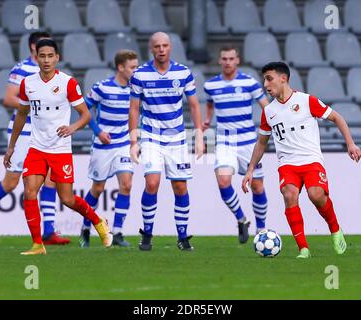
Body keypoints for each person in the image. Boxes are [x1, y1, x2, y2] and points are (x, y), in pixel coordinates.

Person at [242, 62, 361, 258]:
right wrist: (250, 170)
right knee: (290, 196)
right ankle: (303, 248)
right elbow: (262, 143)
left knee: (316, 195)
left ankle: (335, 229)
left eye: (269, 79)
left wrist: (351, 144)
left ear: (284, 78)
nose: (265, 84)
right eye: (264, 79)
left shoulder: (307, 101)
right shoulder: (269, 112)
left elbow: (337, 118)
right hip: (287, 164)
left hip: (311, 160)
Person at [3, 38, 112, 255]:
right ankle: (37, 244)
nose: (46, 60)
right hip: (36, 147)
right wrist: (12, 146)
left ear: (57, 58)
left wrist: (73, 128)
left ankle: (98, 221)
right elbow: (22, 115)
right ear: (37, 57)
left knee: (67, 199)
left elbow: (86, 114)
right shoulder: (28, 83)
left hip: (60, 149)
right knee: (30, 191)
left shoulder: (67, 83)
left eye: (50, 56)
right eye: (42, 56)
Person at [0, 32, 70, 246]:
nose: (46, 54)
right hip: (24, 132)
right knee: (11, 182)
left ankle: (48, 230)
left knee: (50, 177)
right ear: (33, 47)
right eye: (42, 48)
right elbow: (8, 98)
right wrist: (36, 105)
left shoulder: (55, 74)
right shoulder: (21, 69)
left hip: (45, 132)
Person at [129, 32, 204, 251]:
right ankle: (147, 233)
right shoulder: (140, 75)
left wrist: (199, 135)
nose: (161, 49)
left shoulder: (183, 72)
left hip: (177, 138)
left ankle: (182, 237)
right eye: (157, 46)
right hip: (151, 135)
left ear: (170, 47)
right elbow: (133, 108)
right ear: (151, 49)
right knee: (152, 182)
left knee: (180, 186)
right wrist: (134, 140)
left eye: (165, 45)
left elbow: (193, 105)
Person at [203, 45, 269, 243]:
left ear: (237, 60)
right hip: (224, 141)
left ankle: (261, 229)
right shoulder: (211, 85)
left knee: (257, 186)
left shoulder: (250, 83)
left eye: (231, 58)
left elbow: (266, 107)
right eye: (224, 59)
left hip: (249, 141)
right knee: (223, 181)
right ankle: (241, 219)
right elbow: (209, 105)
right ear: (220, 61)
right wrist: (207, 121)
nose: (228, 62)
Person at [79, 50, 139, 248]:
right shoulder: (102, 88)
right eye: (133, 67)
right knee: (97, 188)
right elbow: (83, 109)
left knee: (127, 185)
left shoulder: (136, 89)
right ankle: (85, 228)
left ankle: (118, 232)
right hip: (103, 146)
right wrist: (98, 131)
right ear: (121, 67)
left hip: (123, 144)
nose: (136, 71)